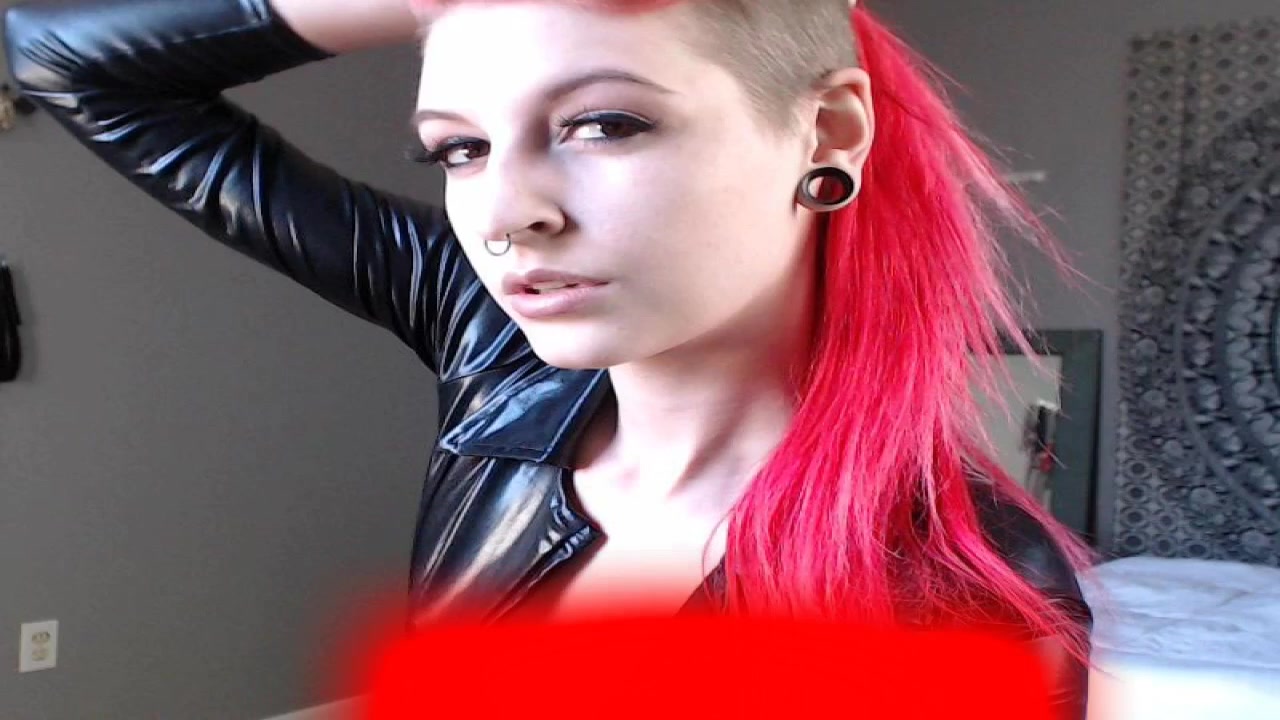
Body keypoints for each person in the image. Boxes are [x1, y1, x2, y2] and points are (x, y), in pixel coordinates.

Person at [4, 0, 1094, 715]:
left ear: (829, 133)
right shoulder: (493, 352)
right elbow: (59, 60)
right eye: (459, 148)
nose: (504, 214)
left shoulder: (965, 599)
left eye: (604, 124)